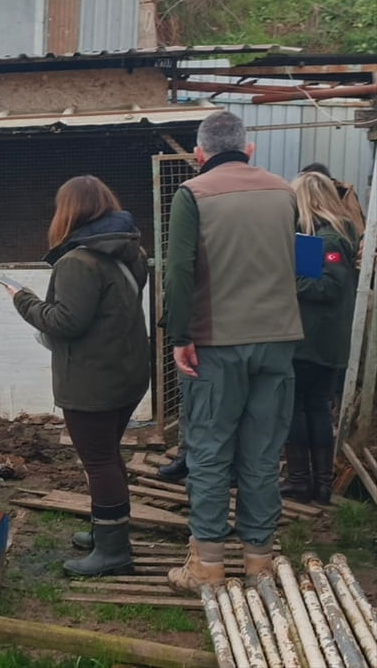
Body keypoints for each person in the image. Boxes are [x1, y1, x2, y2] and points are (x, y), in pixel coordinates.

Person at [162, 111, 302, 591]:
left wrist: (179, 336)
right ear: (250, 150)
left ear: (198, 155)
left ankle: (209, 564)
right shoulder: (285, 192)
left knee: (209, 450)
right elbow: (300, 263)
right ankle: (260, 559)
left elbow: (179, 271)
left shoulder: (193, 194)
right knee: (263, 453)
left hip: (217, 343)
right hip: (279, 341)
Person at [6, 175, 150, 577]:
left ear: (68, 212)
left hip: (92, 380)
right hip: (126, 372)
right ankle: (107, 531)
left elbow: (65, 322)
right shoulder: (128, 253)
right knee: (109, 454)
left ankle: (113, 552)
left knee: (99, 460)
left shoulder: (78, 262)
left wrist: (23, 300)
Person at [279, 172, 360, 505]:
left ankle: (303, 481)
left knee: (300, 408)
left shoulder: (326, 241)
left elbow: (326, 287)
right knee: (313, 409)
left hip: (311, 342)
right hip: (319, 340)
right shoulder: (318, 238)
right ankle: (318, 484)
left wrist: (283, 280)